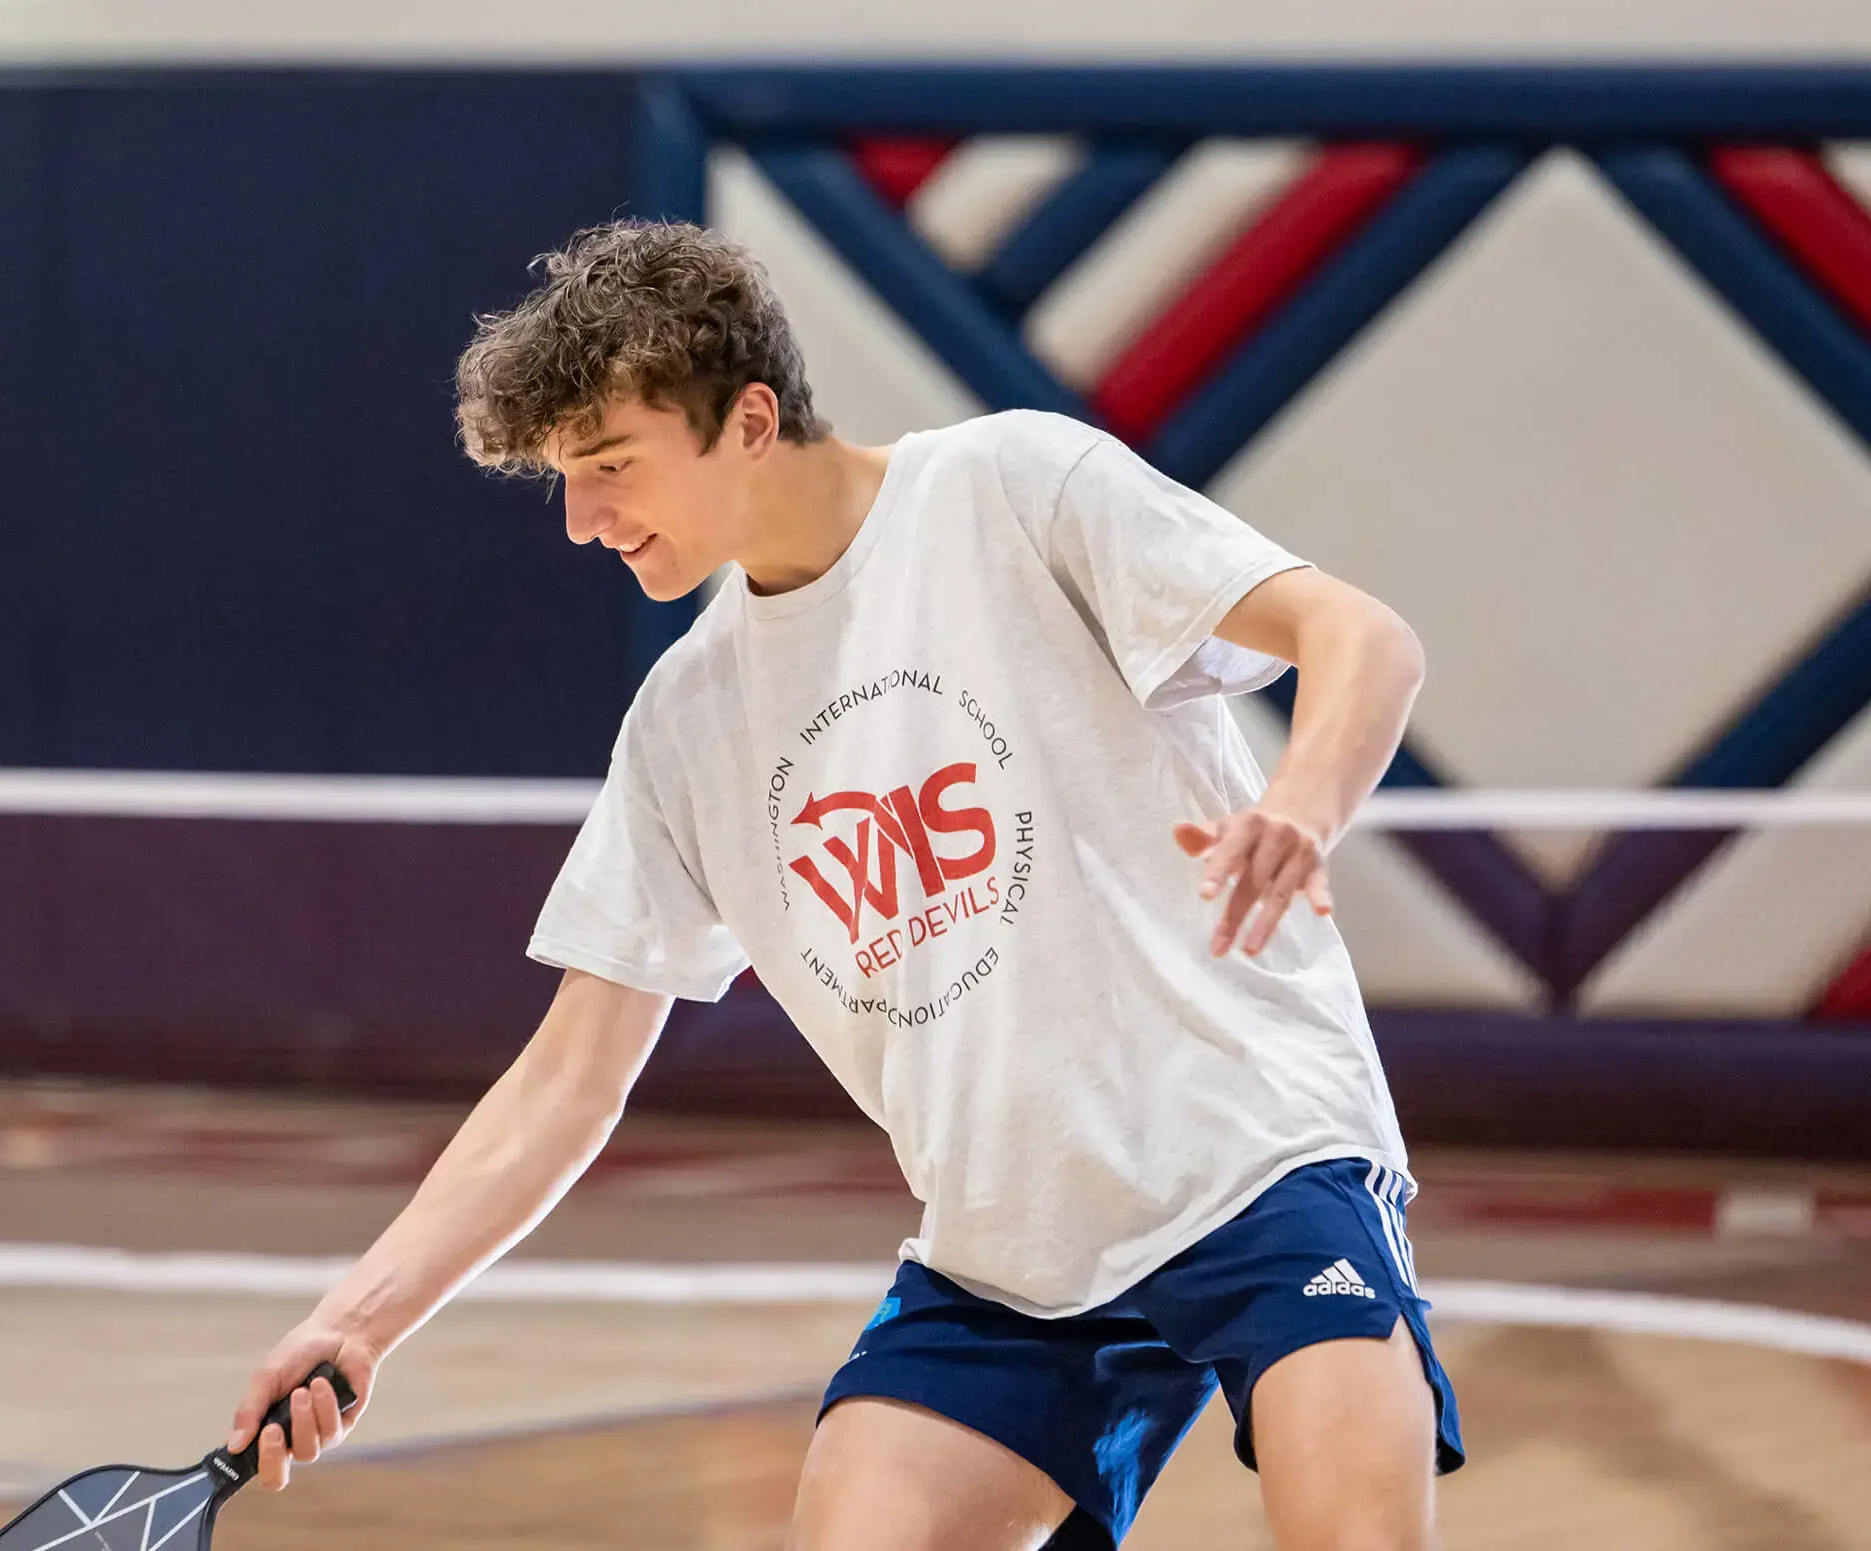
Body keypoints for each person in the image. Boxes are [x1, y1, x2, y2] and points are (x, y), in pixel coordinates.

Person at [224, 220, 1461, 1550]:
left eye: (609, 466)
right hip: (1010, 1255)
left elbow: (1361, 636)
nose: (583, 522)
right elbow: (566, 1081)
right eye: (561, 483)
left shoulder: (1011, 486)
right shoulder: (689, 721)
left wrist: (1303, 804)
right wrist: (355, 1316)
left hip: (1258, 1160)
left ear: (749, 419)